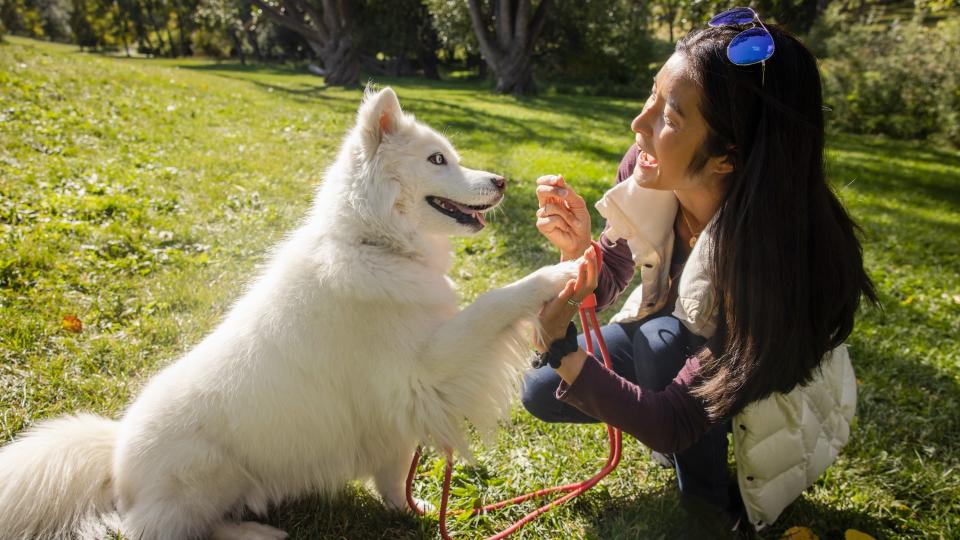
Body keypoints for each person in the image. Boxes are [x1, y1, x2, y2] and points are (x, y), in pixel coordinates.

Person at [522, 12, 878, 533]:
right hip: (679, 348)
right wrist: (580, 256)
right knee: (542, 388)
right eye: (652, 94)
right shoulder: (647, 168)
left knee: (660, 343)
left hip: (766, 375)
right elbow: (616, 266)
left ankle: (711, 508)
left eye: (670, 115)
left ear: (727, 157)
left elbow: (675, 421)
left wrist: (562, 345)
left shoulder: (776, 258)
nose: (639, 124)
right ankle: (676, 434)